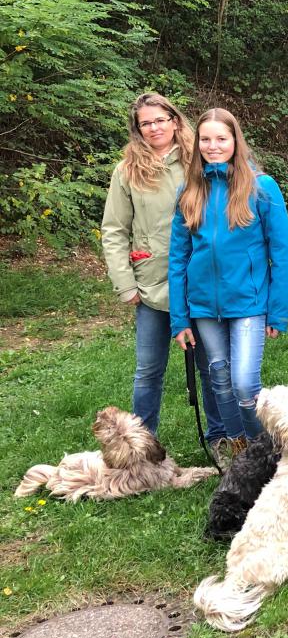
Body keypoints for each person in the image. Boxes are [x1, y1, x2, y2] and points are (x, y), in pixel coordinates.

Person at [170, 108, 288, 460]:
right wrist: (180, 319)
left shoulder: (261, 187)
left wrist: (277, 311)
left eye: (221, 139)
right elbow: (177, 257)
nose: (213, 146)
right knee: (219, 378)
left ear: (235, 141)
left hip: (248, 303)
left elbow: (282, 252)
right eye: (206, 139)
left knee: (243, 383)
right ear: (197, 143)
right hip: (203, 307)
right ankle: (240, 451)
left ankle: (264, 448)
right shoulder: (188, 191)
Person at [100, 93, 224, 444]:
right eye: (146, 123)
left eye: (160, 120)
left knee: (211, 366)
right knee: (148, 371)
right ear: (137, 129)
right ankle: (140, 444)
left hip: (201, 281)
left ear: (174, 120)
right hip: (152, 284)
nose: (154, 127)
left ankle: (220, 437)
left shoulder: (198, 160)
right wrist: (125, 283)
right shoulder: (127, 171)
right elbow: (114, 230)